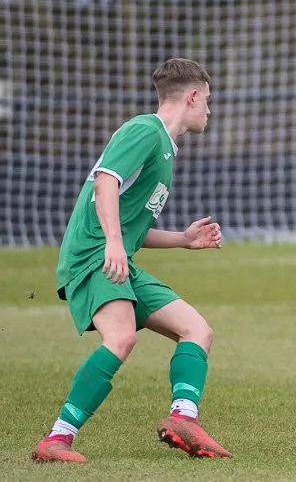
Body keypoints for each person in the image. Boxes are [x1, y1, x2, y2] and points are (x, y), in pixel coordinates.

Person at [33, 58, 230, 463]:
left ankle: (183, 419)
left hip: (114, 256)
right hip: (92, 257)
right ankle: (57, 439)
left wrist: (183, 240)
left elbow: (132, 227)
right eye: (207, 100)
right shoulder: (144, 130)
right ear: (192, 96)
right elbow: (105, 184)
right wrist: (113, 244)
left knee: (197, 329)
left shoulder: (166, 150)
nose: (209, 109)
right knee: (121, 337)